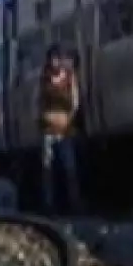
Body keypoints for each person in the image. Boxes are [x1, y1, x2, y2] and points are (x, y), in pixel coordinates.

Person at [38, 45, 82, 215]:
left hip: (65, 128)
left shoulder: (69, 77)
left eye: (57, 58)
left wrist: (70, 117)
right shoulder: (44, 77)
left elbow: (75, 100)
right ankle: (48, 204)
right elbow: (38, 100)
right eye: (52, 58)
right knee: (47, 168)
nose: (54, 62)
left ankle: (74, 203)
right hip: (48, 128)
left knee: (70, 168)